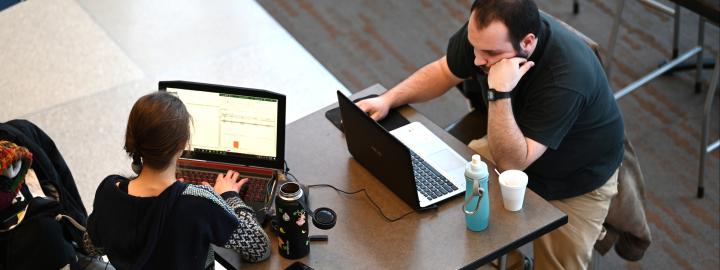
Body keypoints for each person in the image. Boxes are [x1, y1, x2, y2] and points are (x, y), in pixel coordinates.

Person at [357, 0, 623, 269]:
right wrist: (388, 99)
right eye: (474, 47)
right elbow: (443, 71)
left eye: (489, 53)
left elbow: (512, 164)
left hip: (575, 180)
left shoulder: (566, 78)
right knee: (464, 230)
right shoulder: (486, 34)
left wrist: (499, 93)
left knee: (557, 266)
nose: (476, 60)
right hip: (513, 141)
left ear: (527, 43)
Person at [84, 92, 270, 269]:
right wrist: (229, 197)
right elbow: (260, 248)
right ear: (183, 144)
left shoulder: (109, 191)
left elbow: (92, 247)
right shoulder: (199, 202)